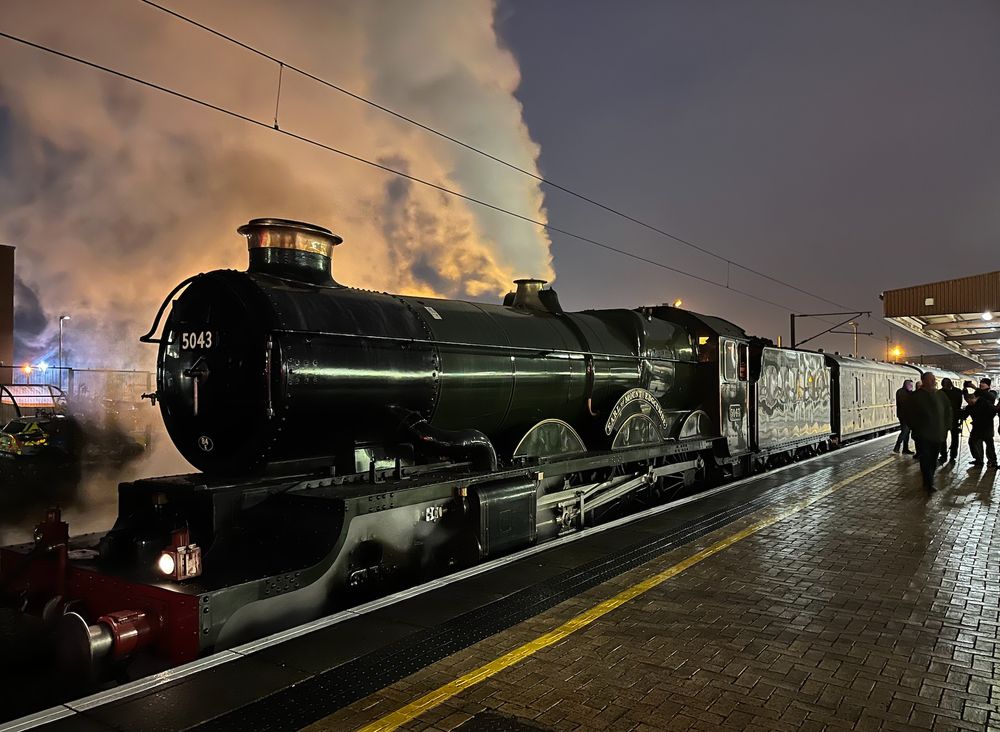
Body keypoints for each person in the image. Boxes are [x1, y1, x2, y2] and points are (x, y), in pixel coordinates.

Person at [909, 371, 951, 491]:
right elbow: (909, 415)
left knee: (933, 459)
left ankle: (929, 479)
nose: (933, 381)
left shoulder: (941, 395)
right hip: (922, 435)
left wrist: (946, 427)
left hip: (938, 434)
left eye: (934, 379)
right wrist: (916, 428)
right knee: (925, 458)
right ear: (924, 381)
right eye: (930, 379)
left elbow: (948, 411)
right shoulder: (916, 397)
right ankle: (928, 483)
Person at [963, 378, 998, 467]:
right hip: (977, 424)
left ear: (988, 385)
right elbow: (970, 400)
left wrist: (974, 388)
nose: (981, 384)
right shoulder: (978, 393)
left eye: (984, 383)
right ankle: (979, 460)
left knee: (989, 444)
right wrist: (965, 390)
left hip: (987, 424)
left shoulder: (992, 393)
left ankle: (992, 461)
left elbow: (991, 397)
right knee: (973, 442)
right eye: (981, 382)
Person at [939, 378, 964, 464]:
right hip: (952, 417)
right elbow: (959, 404)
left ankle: (945, 455)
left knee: (944, 437)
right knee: (954, 438)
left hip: (946, 418)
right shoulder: (958, 391)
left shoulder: (940, 392)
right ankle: (951, 456)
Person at [893, 379, 915, 454]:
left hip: (906, 415)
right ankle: (897, 446)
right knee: (905, 431)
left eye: (912, 385)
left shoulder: (907, 392)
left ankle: (905, 448)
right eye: (910, 385)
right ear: (906, 385)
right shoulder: (901, 392)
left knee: (907, 432)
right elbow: (904, 403)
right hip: (903, 415)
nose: (911, 387)